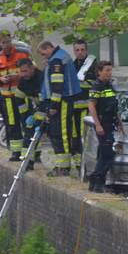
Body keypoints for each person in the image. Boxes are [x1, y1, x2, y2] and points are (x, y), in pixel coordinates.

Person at [35, 40, 81, 177]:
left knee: (60, 133)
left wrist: (54, 105)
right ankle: (63, 165)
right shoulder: (61, 56)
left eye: (44, 53)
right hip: (63, 100)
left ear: (49, 48)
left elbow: (57, 85)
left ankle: (63, 167)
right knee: (59, 132)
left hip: (62, 101)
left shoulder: (56, 60)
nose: (44, 57)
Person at [0, 32, 30, 162]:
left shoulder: (22, 54)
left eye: (7, 42)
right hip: (7, 98)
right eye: (3, 43)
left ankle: (31, 153)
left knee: (27, 123)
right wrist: (1, 79)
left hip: (22, 96)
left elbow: (31, 70)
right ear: (0, 44)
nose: (6, 45)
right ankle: (16, 152)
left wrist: (18, 76)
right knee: (12, 125)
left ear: (11, 41)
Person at [86, 60, 123, 193]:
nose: (109, 72)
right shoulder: (97, 86)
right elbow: (91, 106)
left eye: (110, 70)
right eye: (106, 70)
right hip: (103, 124)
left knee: (103, 153)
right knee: (107, 154)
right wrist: (98, 125)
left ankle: (96, 184)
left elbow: (114, 106)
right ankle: (97, 178)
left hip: (110, 123)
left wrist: (120, 124)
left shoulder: (109, 85)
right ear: (99, 72)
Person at [71, 39, 97, 169]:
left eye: (82, 49)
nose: (80, 52)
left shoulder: (93, 65)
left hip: (87, 109)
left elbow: (92, 86)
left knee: (85, 138)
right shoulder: (72, 65)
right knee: (74, 137)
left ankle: (86, 165)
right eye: (77, 50)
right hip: (73, 108)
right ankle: (78, 164)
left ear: (86, 50)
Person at [17, 58, 44, 169]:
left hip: (49, 108)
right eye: (21, 71)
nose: (23, 74)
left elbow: (45, 100)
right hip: (38, 108)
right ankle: (28, 162)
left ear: (32, 69)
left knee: (57, 138)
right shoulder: (23, 81)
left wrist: (36, 117)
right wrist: (25, 116)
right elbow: (19, 98)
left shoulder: (41, 78)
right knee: (29, 132)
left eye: (25, 71)